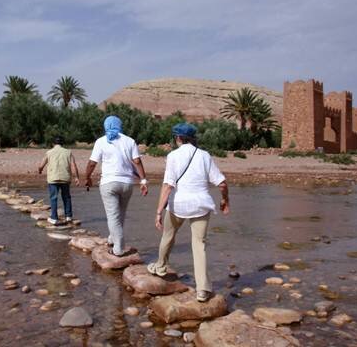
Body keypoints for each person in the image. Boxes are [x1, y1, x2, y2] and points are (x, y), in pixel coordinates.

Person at [147, 123, 230, 302]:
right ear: (193, 138)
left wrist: (158, 211)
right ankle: (202, 290)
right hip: (201, 204)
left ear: (177, 138)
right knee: (199, 245)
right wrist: (224, 200)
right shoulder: (204, 155)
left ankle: (160, 267)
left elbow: (168, 185)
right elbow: (222, 183)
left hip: (178, 204)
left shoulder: (173, 156)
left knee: (168, 236)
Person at [85, 115, 148, 257]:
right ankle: (112, 238)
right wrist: (143, 181)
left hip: (109, 183)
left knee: (113, 216)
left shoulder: (101, 141)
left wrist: (88, 177)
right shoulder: (129, 141)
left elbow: (92, 163)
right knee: (121, 213)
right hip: (127, 183)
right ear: (120, 126)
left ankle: (118, 249)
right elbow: (137, 161)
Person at [38, 136, 80, 225]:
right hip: (65, 178)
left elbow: (41, 165)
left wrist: (40, 170)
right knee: (67, 197)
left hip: (53, 178)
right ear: (62, 143)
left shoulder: (49, 152)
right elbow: (73, 166)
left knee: (53, 198)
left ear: (53, 143)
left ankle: (54, 218)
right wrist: (76, 177)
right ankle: (68, 216)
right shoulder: (68, 152)